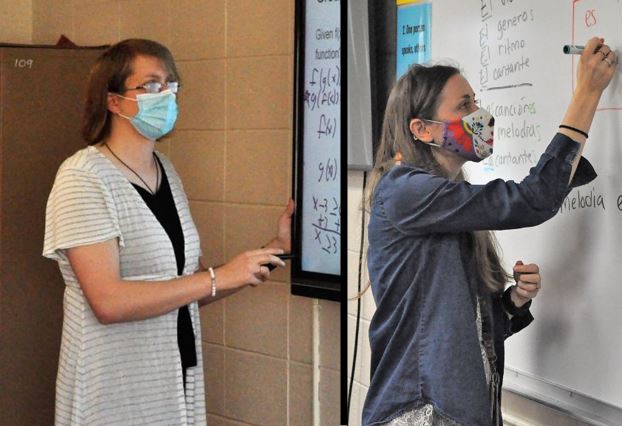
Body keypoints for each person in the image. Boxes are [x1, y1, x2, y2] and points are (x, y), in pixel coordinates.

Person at [362, 36, 616, 426]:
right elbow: (533, 199)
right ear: (422, 129)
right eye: (464, 106)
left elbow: (468, 336)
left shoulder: (447, 205)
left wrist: (511, 301)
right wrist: (586, 92)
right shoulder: (404, 192)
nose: (480, 114)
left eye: (475, 101)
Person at [43, 39, 294, 425]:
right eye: (153, 85)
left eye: (172, 85)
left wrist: (273, 249)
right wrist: (216, 277)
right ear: (113, 101)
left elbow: (189, 288)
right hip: (113, 387)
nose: (168, 95)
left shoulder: (166, 173)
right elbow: (107, 301)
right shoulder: (82, 178)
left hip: (173, 377)